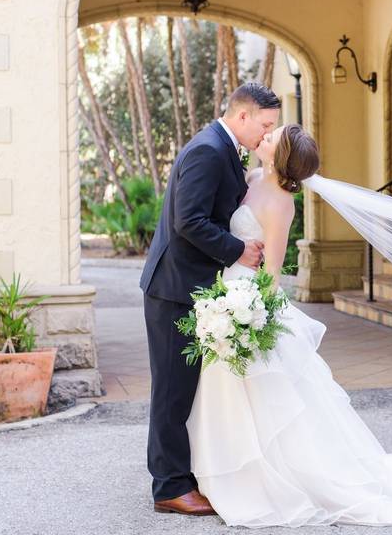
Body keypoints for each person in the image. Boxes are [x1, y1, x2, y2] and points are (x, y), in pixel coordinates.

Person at [185, 123, 392, 527]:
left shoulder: (281, 203)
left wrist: (248, 315)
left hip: (247, 301)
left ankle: (262, 479)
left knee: (266, 397)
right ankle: (224, 473)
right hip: (228, 292)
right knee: (228, 391)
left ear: (280, 156)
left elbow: (271, 272)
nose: (265, 135)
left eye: (274, 137)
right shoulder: (249, 177)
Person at [139, 82, 280, 516]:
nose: (267, 133)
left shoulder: (222, 147)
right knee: (172, 391)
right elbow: (189, 221)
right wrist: (238, 250)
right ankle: (169, 486)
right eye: (265, 124)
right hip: (174, 287)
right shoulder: (208, 150)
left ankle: (184, 474)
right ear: (243, 116)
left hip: (191, 287)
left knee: (185, 388)